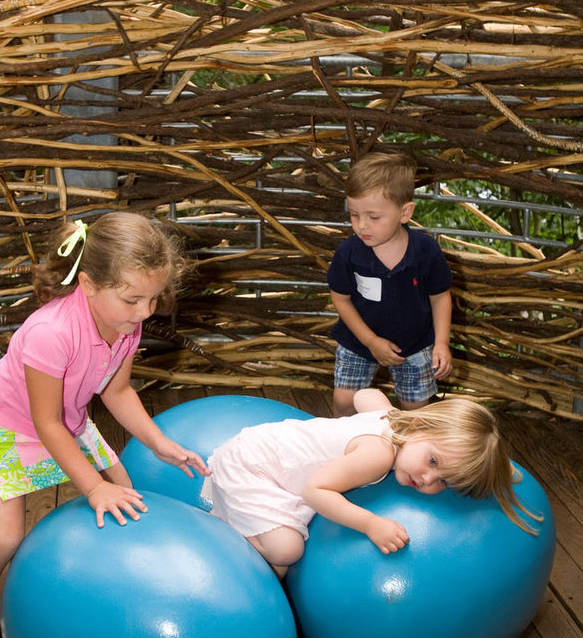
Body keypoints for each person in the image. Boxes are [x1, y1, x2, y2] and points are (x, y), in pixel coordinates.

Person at [0, 212, 209, 638]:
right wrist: (92, 488)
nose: (145, 312)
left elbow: (118, 392)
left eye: (153, 298)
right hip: (7, 427)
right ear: (88, 284)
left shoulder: (125, 324)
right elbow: (45, 424)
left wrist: (159, 443)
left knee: (127, 492)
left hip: (64, 420)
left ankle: (120, 599)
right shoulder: (51, 333)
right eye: (132, 298)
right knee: (4, 538)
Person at [201, 389, 540, 578]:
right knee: (286, 552)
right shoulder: (377, 454)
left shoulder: (393, 419)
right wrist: (371, 524)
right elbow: (315, 491)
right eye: (433, 461)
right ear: (420, 424)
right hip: (254, 467)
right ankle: (226, 536)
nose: (427, 479)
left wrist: (493, 466)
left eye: (444, 481)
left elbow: (366, 394)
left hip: (269, 448)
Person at [328, 151, 453, 417]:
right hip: (358, 342)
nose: (361, 226)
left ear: (405, 212)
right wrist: (371, 341)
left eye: (374, 217)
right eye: (354, 214)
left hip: (415, 344)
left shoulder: (426, 252)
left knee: (416, 412)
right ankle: (342, 444)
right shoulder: (348, 253)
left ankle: (409, 454)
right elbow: (340, 298)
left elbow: (440, 297)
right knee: (344, 401)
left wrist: (441, 342)